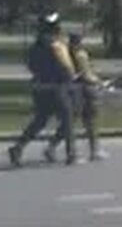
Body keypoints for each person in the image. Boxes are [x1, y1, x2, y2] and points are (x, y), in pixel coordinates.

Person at [9, 14, 77, 167]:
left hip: (40, 87)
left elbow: (30, 66)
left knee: (40, 120)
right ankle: (70, 153)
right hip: (57, 87)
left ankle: (18, 147)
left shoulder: (35, 47)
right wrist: (71, 78)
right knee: (68, 118)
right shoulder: (57, 45)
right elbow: (67, 68)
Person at [46, 33, 106, 162]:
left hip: (72, 90)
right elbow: (86, 74)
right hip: (85, 90)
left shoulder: (66, 54)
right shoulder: (81, 55)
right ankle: (94, 150)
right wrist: (98, 82)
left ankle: (52, 146)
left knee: (69, 123)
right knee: (90, 120)